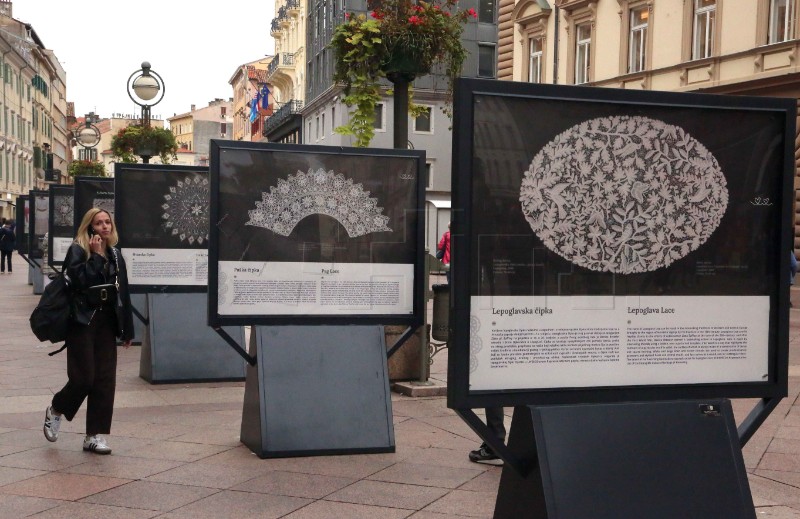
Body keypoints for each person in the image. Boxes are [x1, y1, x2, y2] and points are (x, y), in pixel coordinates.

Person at [43, 208, 134, 455]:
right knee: (84, 378)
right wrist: (94, 257)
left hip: (107, 320)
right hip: (82, 320)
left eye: (108, 222)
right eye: (99, 223)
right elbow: (79, 282)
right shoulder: (78, 250)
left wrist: (127, 329)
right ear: (89, 227)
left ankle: (94, 436)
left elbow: (123, 292)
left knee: (105, 380)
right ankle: (57, 408)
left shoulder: (115, 254)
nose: (105, 226)